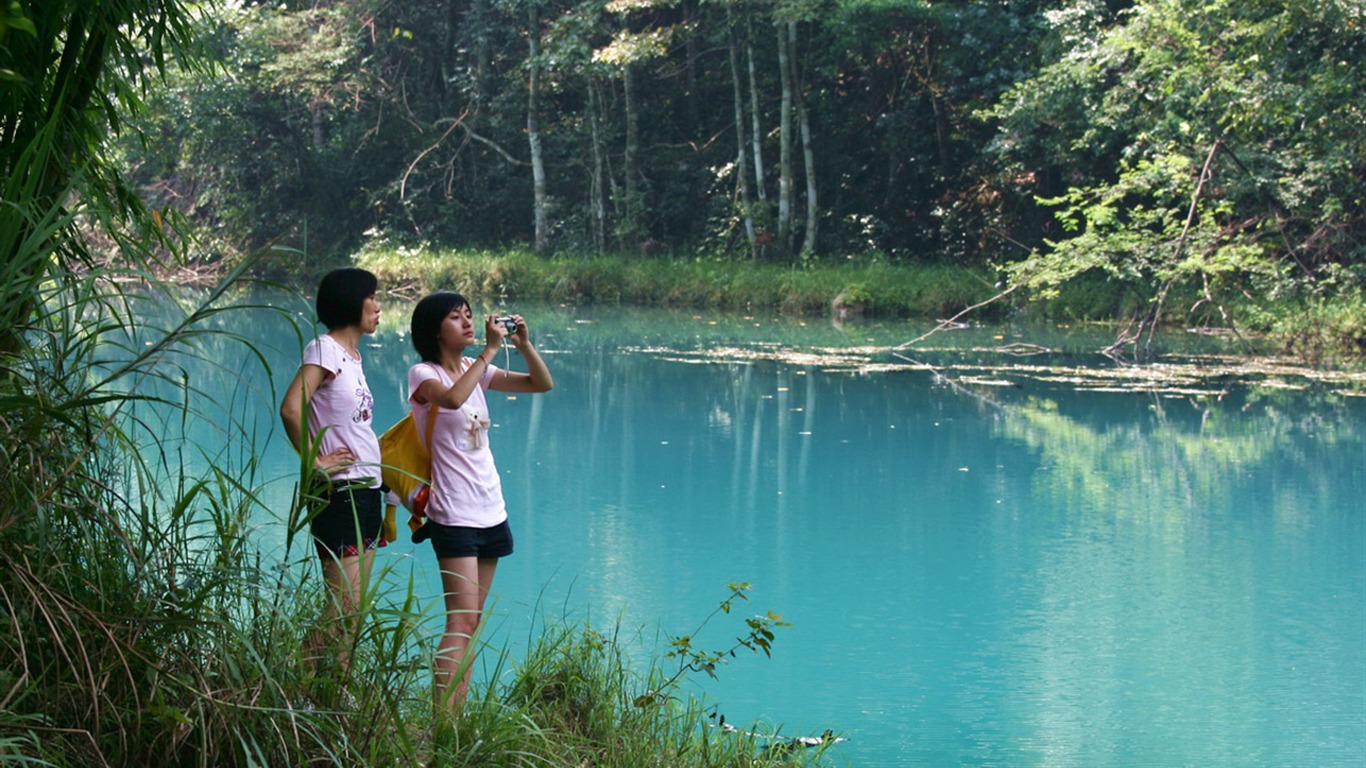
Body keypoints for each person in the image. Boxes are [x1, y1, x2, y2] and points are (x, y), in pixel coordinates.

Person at [406, 291, 553, 709]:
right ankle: (442, 724)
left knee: (472, 623)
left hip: (491, 508)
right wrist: (491, 350)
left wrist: (523, 345)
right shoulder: (422, 374)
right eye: (457, 318)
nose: (468, 323)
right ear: (435, 330)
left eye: (470, 315)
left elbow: (542, 383)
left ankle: (457, 716)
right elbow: (451, 398)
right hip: (453, 513)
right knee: (460, 620)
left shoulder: (475, 368)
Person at [278, 267, 385, 671]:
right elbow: (292, 408)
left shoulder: (351, 358)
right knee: (342, 610)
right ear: (351, 302)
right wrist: (314, 461)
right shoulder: (324, 348)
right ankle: (298, 687)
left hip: (365, 491)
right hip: (339, 494)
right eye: (372, 296)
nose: (378, 305)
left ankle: (332, 700)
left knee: (352, 612)